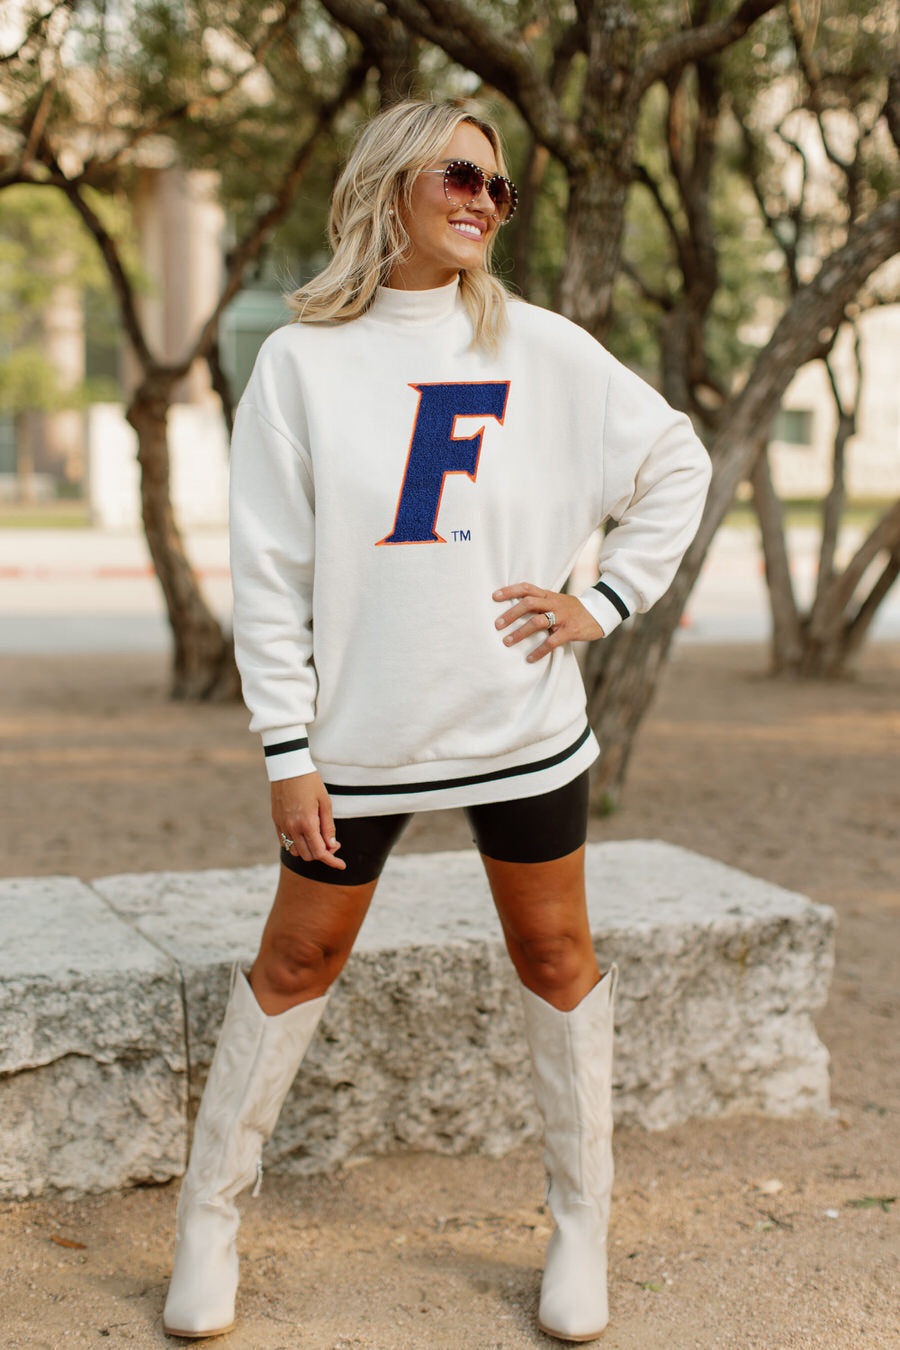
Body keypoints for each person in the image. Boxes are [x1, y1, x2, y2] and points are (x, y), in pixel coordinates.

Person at [162, 99, 711, 1343]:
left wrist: (603, 601)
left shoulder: (545, 349)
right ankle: (209, 1220)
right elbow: (269, 576)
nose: (482, 201)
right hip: (360, 741)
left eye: (497, 187)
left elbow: (677, 462)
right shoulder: (300, 364)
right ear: (389, 183)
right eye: (459, 175)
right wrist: (287, 749)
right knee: (296, 962)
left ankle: (580, 1225)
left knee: (556, 957)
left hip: (522, 726)